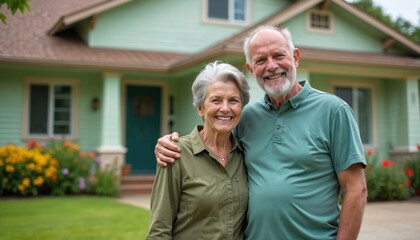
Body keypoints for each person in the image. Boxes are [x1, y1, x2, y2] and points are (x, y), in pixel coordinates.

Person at [155, 26, 368, 240]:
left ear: (295, 57)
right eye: (261, 60)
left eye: (278, 55)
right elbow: (213, 141)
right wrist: (167, 144)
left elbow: (356, 190)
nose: (272, 66)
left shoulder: (333, 111)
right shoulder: (246, 117)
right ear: (250, 68)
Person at [146, 61, 250, 240]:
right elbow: (159, 230)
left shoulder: (245, 154)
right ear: (200, 108)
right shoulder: (176, 154)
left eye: (233, 100)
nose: (225, 108)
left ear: (241, 108)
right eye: (216, 100)